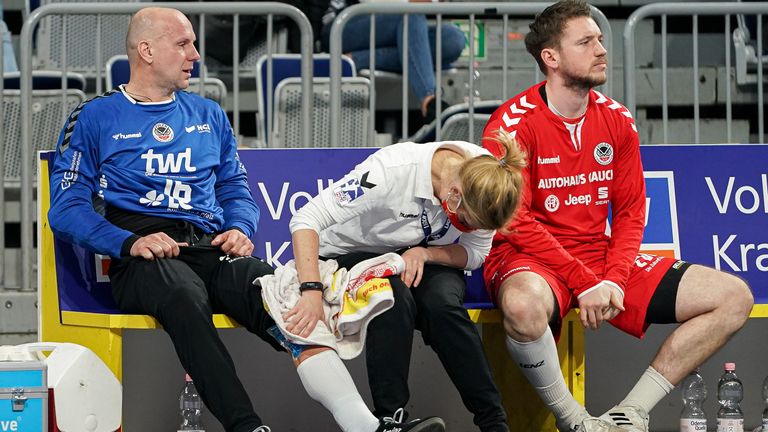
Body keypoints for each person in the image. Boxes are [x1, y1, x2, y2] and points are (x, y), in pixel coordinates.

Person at [48, 7, 444, 432]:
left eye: (193, 44)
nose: (195, 55)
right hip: (142, 252)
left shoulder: (208, 114)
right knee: (183, 296)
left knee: (285, 300)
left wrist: (239, 227)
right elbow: (66, 208)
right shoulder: (95, 116)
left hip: (210, 244)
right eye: (182, 44)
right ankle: (247, 427)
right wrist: (129, 242)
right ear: (146, 50)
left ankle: (364, 426)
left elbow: (235, 189)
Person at [480, 2, 754, 432]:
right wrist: (583, 280)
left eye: (600, 40)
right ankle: (575, 420)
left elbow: (629, 212)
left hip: (596, 255)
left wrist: (612, 278)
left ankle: (630, 414)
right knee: (522, 305)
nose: (601, 49)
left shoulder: (616, 118)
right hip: (528, 258)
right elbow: (514, 222)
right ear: (551, 58)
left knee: (734, 297)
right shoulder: (510, 125)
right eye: (585, 42)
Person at [289, 133, 526, 432]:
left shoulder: (489, 180)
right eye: (465, 222)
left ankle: (494, 422)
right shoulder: (388, 172)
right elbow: (305, 219)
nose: (468, 229)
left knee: (443, 305)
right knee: (391, 294)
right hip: (348, 252)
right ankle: (391, 419)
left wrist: (425, 254)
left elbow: (477, 252)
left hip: (420, 252)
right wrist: (311, 289)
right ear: (454, 194)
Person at [319, 0, 466, 127]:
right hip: (343, 22)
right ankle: (429, 101)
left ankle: (358, 59)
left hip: (399, 22)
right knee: (411, 14)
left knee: (453, 39)